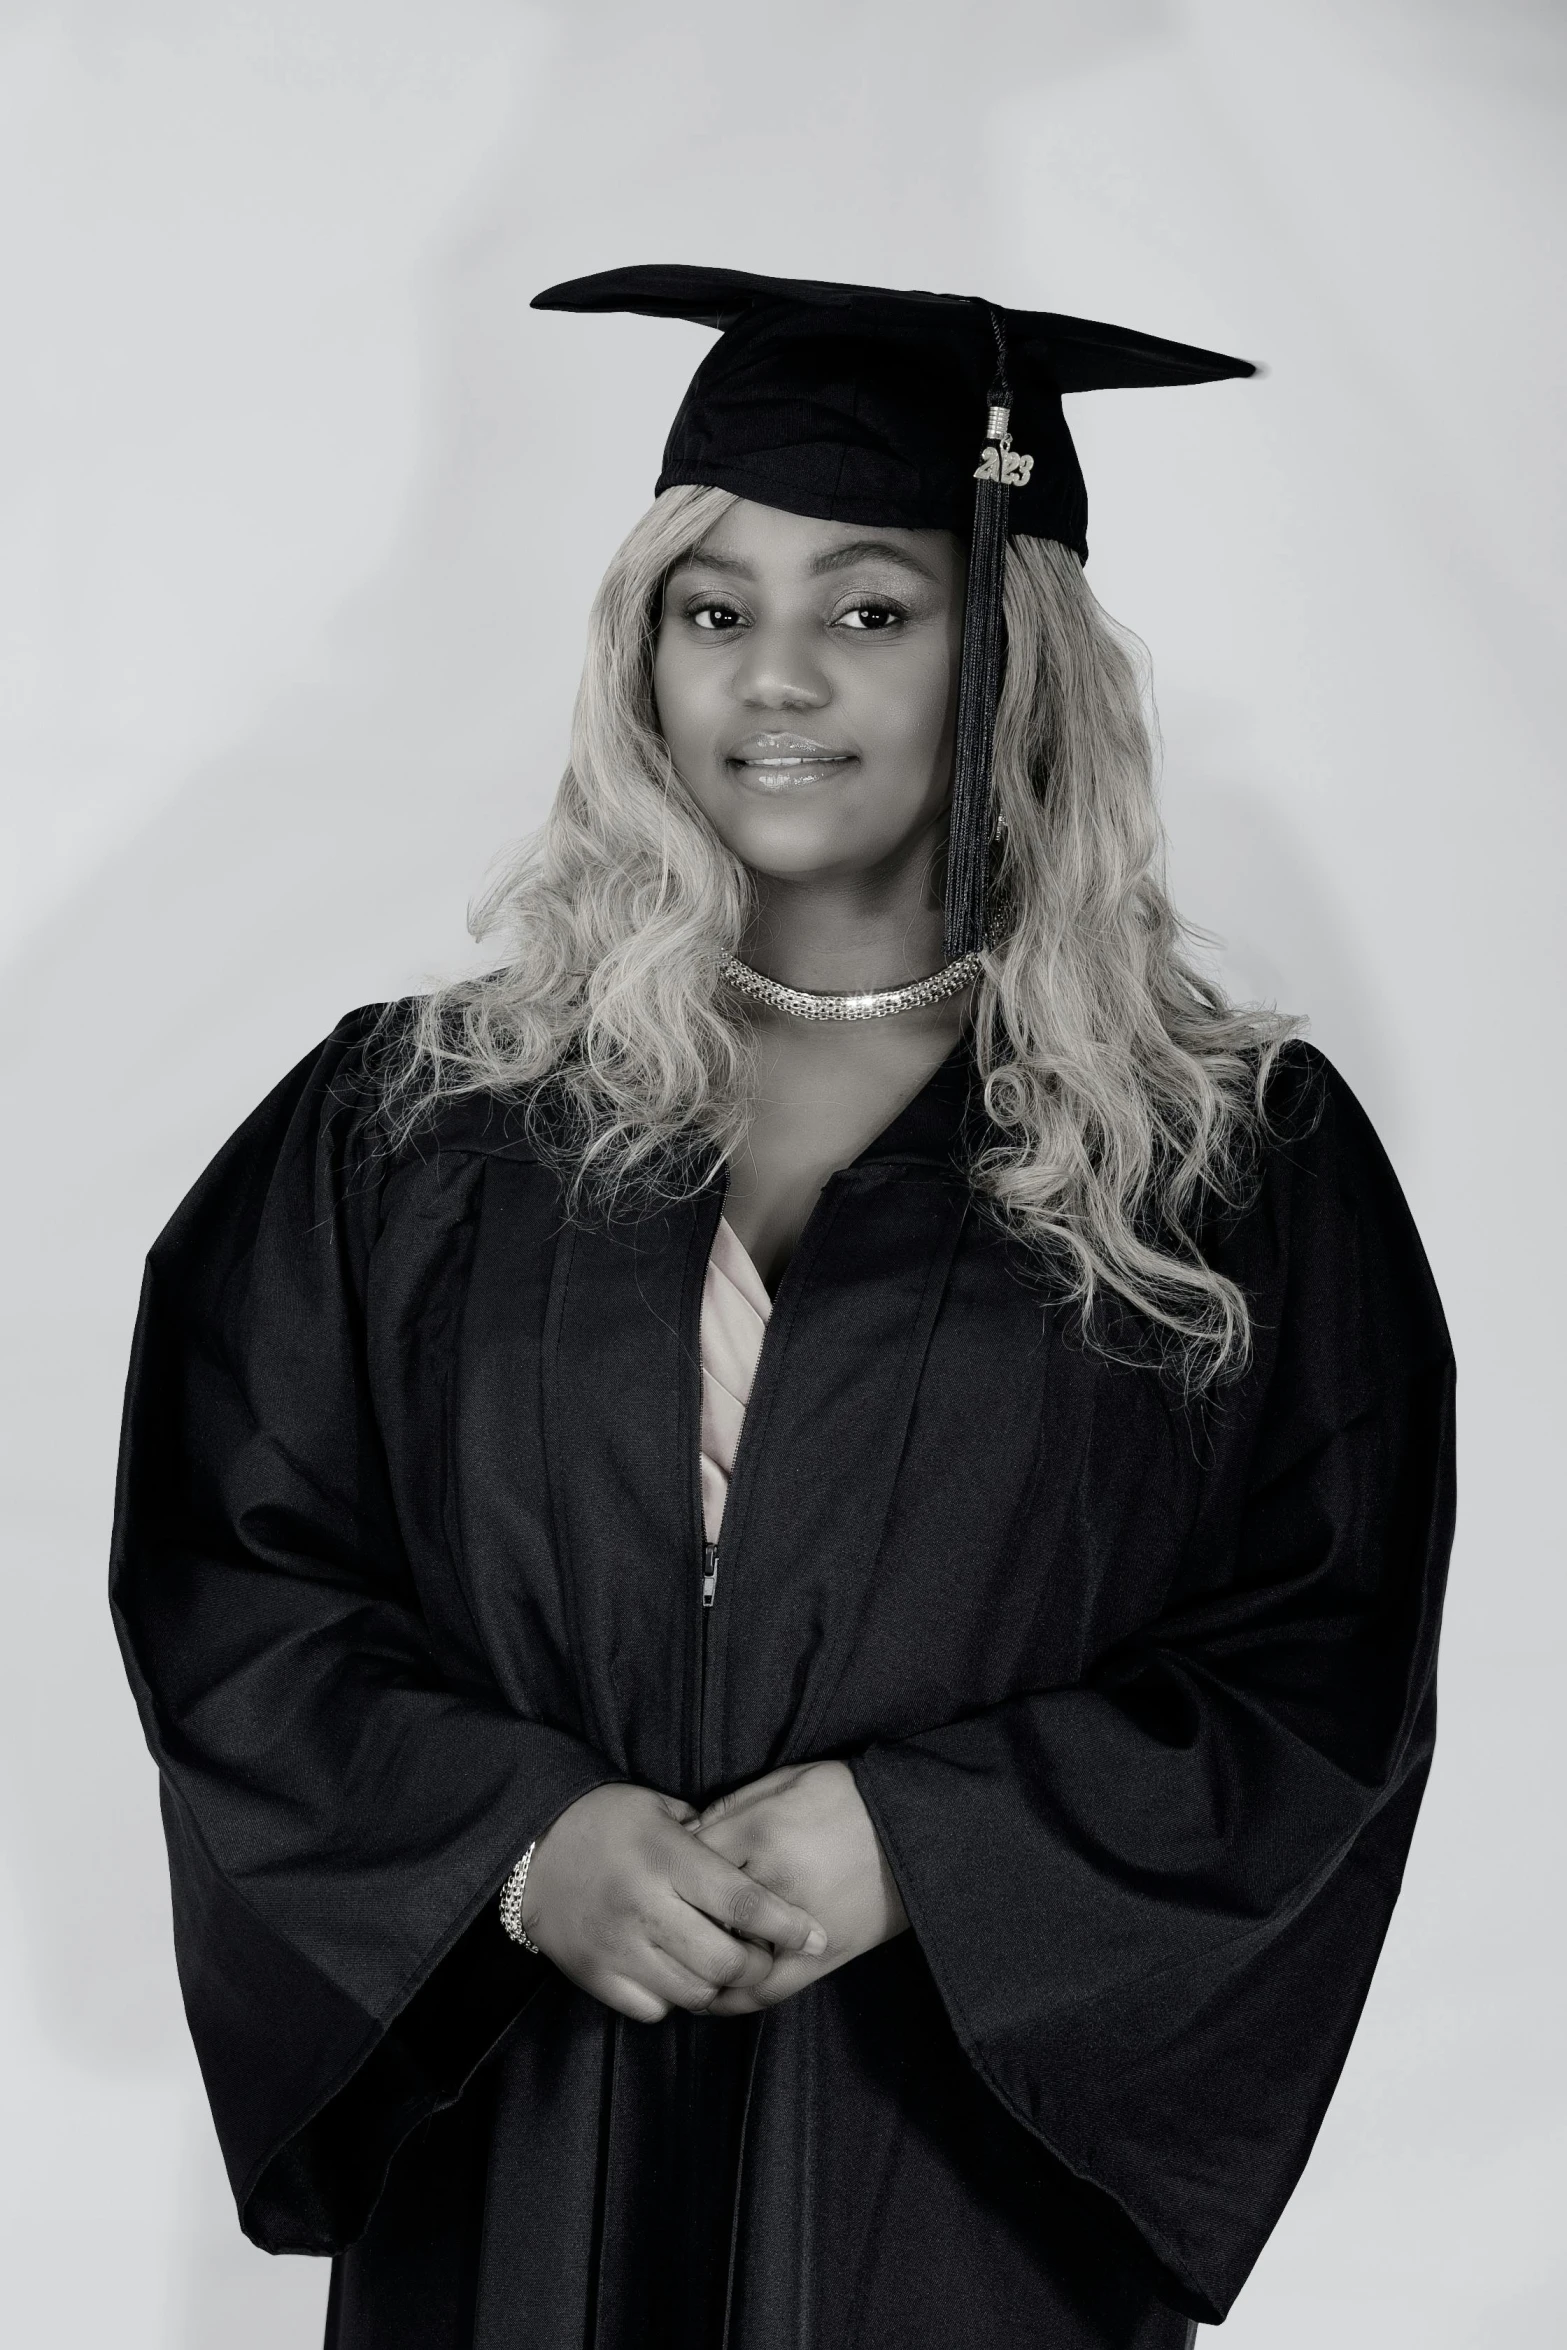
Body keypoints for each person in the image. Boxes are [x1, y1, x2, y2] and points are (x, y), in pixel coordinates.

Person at [110, 267, 1455, 2350]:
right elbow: (239, 1580)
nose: (777, 680)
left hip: (950, 2179)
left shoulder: (1230, 1159)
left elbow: (1320, 1667)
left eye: (871, 608)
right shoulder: (422, 1124)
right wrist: (517, 1843)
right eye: (713, 609)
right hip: (524, 2132)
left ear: (1009, 650)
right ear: (638, 651)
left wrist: (938, 1841)